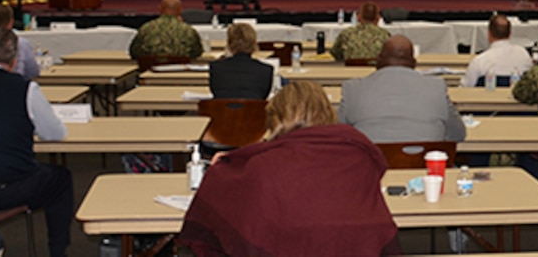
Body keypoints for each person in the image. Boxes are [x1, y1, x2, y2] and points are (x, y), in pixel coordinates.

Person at [179, 82, 401, 256]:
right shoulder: (357, 157)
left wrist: (226, 167)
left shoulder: (260, 165)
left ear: (275, 118)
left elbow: (224, 202)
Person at [0, 28, 72, 257]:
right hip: (11, 187)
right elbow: (55, 133)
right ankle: (58, 252)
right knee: (60, 179)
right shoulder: (25, 89)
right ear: (13, 62)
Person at [338, 35, 466, 143]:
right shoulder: (437, 87)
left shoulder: (352, 89)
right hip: (423, 168)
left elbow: (338, 135)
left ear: (377, 60)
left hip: (370, 168)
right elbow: (458, 134)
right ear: (414, 63)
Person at [461, 15, 533, 88]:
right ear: (510, 34)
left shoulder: (479, 62)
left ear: (489, 33)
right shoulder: (524, 56)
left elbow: (464, 89)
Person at [128, 0, 205, 61]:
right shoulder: (188, 31)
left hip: (149, 73)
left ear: (160, 8)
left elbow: (134, 52)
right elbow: (197, 53)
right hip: (180, 73)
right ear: (180, 10)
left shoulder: (146, 28)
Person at [209, 23, 273, 100]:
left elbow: (216, 94)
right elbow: (263, 97)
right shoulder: (266, 70)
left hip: (223, 111)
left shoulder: (216, 68)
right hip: (253, 111)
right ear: (254, 44)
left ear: (229, 43)